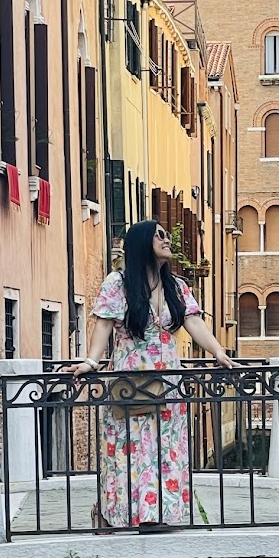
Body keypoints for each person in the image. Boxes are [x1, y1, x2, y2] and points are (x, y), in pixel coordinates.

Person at [70, 219, 235, 530]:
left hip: (169, 383)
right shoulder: (118, 283)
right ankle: (115, 513)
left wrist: (218, 352)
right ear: (142, 242)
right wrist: (91, 362)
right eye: (159, 235)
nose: (167, 239)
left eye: (166, 235)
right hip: (131, 381)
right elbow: (103, 324)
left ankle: (156, 514)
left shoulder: (177, 286)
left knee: (165, 448)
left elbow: (194, 322)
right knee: (131, 449)